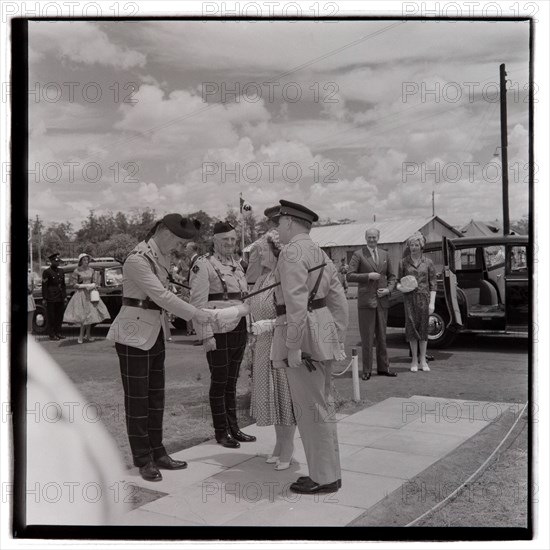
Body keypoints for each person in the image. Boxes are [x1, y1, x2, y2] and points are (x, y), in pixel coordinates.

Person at [107, 213, 213, 482]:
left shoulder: (160, 257)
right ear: (164, 233)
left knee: (155, 399)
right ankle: (143, 459)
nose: (179, 248)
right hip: (133, 336)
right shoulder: (137, 259)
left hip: (154, 333)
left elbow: (166, 294)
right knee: (138, 400)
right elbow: (161, 295)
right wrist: (194, 314)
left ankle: (158, 451)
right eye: (178, 241)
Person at [271, 200, 348, 495]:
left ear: (290, 222)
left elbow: (295, 303)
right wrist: (336, 338)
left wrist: (292, 346)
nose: (277, 229)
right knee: (323, 406)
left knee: (310, 409)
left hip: (302, 340)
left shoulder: (291, 252)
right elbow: (339, 302)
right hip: (323, 335)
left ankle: (323, 478)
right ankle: (330, 472)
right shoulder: (321, 254)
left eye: (279, 223)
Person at [189, 221, 256, 449]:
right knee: (219, 382)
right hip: (217, 331)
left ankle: (234, 427)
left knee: (232, 381)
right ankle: (221, 431)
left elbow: (243, 298)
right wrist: (206, 336)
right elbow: (197, 304)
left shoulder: (237, 264)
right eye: (225, 239)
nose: (229, 243)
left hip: (238, 328)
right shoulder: (204, 265)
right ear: (215, 241)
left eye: (232, 239)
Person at [247, 228, 296, 471]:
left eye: (263, 251)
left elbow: (298, 313)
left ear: (276, 251)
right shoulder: (262, 278)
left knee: (285, 398)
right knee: (274, 398)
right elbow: (247, 306)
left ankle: (288, 446)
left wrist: (270, 324)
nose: (259, 256)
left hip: (282, 344)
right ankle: (279, 444)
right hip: (264, 346)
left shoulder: (285, 277)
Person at [347, 228, 397, 381]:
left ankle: (383, 368)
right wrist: (368, 276)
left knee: (382, 337)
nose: (372, 240)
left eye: (374, 237)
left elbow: (392, 277)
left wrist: (388, 290)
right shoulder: (358, 254)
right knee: (367, 338)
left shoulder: (385, 254)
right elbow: (349, 275)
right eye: (369, 237)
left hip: (382, 302)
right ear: (365, 238)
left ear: (379, 238)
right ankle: (367, 370)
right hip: (366, 303)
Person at [397, 232, 437, 372]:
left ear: (421, 246)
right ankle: (414, 359)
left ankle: (423, 360)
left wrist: (432, 303)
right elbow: (398, 283)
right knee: (411, 328)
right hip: (409, 299)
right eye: (411, 245)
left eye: (416, 245)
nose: (413, 247)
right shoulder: (403, 263)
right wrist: (403, 288)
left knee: (424, 328)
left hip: (424, 298)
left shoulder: (428, 262)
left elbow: (433, 284)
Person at [63, 253, 110, 344]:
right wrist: (85, 285)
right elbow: (73, 284)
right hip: (81, 294)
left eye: (87, 260)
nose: (86, 261)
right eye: (84, 260)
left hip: (91, 294)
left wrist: (93, 285)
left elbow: (95, 282)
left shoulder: (92, 270)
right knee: (83, 316)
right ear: (81, 261)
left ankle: (88, 335)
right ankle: (80, 336)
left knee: (90, 315)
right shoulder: (77, 271)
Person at [41, 252, 67, 341]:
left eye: (58, 261)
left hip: (60, 297)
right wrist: (44, 298)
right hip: (51, 297)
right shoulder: (47, 272)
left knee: (59, 316)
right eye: (56, 261)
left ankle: (58, 332)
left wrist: (65, 296)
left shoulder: (61, 271)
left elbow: (63, 285)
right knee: (51, 316)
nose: (58, 262)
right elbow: (44, 285)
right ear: (51, 261)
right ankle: (52, 334)